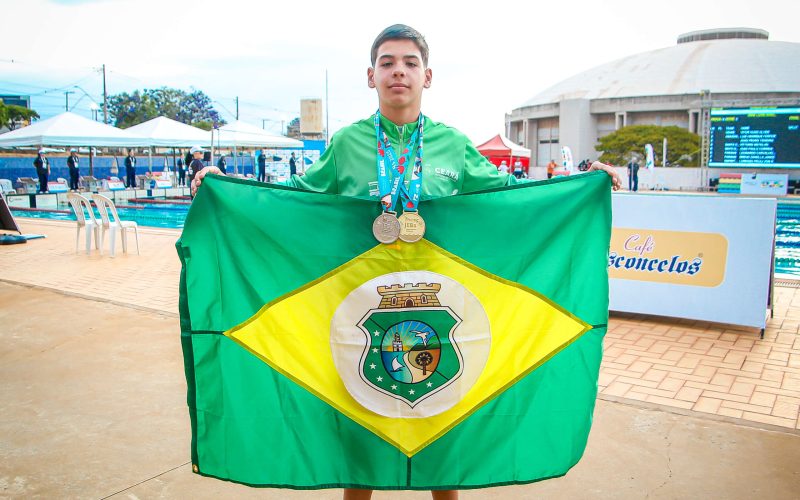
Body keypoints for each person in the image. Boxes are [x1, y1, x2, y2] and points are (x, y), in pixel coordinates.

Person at [192, 24, 620, 500]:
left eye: (410, 63)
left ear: (428, 76)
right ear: (371, 76)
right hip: (358, 314)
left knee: (442, 428)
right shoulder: (348, 144)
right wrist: (225, 188)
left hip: (435, 312)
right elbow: (296, 196)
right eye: (388, 63)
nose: (399, 72)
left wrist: (582, 182)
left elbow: (508, 196)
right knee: (359, 424)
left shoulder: (452, 145)